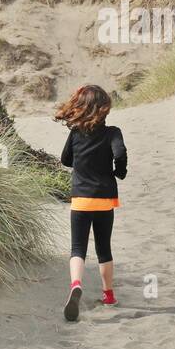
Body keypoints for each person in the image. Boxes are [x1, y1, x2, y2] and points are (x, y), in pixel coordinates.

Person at [56, 84, 127, 322]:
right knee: (104, 248)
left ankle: (76, 284)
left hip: (80, 199)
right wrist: (120, 170)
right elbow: (120, 152)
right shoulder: (112, 132)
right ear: (104, 109)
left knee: (78, 248)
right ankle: (108, 295)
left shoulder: (75, 133)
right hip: (105, 199)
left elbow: (65, 160)